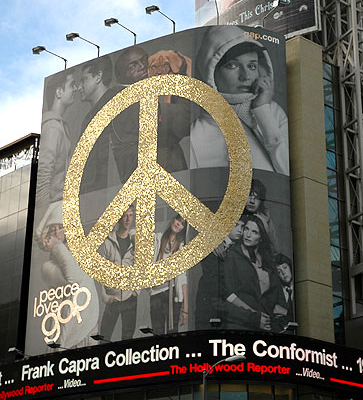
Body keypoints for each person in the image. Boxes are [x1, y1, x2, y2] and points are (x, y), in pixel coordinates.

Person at [189, 26, 289, 174]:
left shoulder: (273, 112)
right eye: (232, 65)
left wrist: (262, 110)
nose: (246, 76)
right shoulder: (197, 133)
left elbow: (288, 172)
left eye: (252, 66)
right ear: (210, 71)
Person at [111, 46, 191, 180]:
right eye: (133, 66)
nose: (143, 67)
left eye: (144, 61)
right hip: (154, 190)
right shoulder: (128, 106)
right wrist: (180, 71)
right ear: (121, 78)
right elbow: (184, 120)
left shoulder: (143, 97)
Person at [36, 202, 99, 349]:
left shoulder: (83, 255)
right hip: (66, 338)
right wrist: (57, 246)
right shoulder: (47, 267)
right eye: (53, 230)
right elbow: (75, 280)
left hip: (87, 331)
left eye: (61, 227)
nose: (58, 233)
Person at [223, 215, 278, 330]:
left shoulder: (268, 261)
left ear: (261, 237)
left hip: (265, 326)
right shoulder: (232, 255)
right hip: (240, 324)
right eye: (246, 229)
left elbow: (274, 294)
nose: (248, 235)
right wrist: (255, 317)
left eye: (254, 232)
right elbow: (228, 294)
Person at [195, 216, 245, 330]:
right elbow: (216, 281)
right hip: (209, 305)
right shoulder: (211, 245)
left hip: (230, 312)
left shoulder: (240, 248)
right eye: (236, 225)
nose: (240, 230)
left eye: (242, 227)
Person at [37, 70, 76, 209]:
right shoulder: (53, 128)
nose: (75, 89)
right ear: (59, 92)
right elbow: (43, 174)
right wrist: (43, 216)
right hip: (51, 210)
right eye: (72, 85)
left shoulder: (59, 126)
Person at [99, 206, 138, 341]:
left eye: (131, 215)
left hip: (130, 298)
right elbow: (100, 272)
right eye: (125, 215)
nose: (128, 219)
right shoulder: (108, 242)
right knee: (104, 337)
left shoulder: (135, 242)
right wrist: (105, 297)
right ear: (119, 218)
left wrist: (136, 291)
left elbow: (140, 268)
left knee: (128, 339)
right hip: (113, 298)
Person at [78, 56, 116, 193]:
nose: (79, 87)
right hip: (94, 193)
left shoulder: (116, 103)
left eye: (84, 80)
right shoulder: (90, 116)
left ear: (98, 76)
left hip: (108, 190)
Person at [150, 215, 188, 334]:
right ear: (173, 220)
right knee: (157, 332)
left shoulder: (181, 248)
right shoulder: (158, 239)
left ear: (183, 228)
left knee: (173, 333)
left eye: (182, 223)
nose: (178, 224)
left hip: (173, 294)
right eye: (178, 220)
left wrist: (185, 309)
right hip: (156, 293)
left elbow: (182, 278)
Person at [242, 178, 281, 256]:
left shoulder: (266, 220)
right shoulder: (231, 213)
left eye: (257, 198)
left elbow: (275, 250)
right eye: (249, 195)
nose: (252, 201)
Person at [272, 253, 295, 330]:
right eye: (279, 271)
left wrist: (285, 312)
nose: (283, 273)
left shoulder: (301, 290)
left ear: (290, 267)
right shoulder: (277, 293)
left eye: (285, 267)